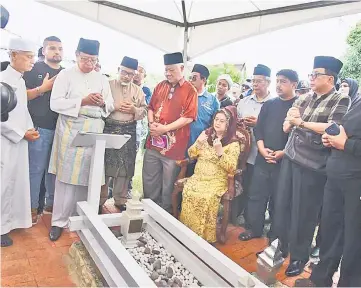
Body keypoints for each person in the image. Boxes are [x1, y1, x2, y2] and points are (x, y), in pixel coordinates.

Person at [274, 56, 350, 277]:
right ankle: (280, 247)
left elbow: (333, 127)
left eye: (316, 74)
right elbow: (287, 125)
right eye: (311, 74)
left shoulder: (340, 99)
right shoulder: (305, 97)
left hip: (313, 165)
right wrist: (293, 122)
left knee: (304, 213)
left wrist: (302, 123)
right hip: (290, 157)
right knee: (283, 205)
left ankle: (298, 257)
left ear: (330, 77)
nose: (312, 78)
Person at [48, 38, 115, 241]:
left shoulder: (102, 78)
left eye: (93, 60)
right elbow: (55, 103)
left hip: (95, 130)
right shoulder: (65, 75)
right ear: (77, 55)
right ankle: (58, 222)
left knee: (88, 177)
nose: (89, 64)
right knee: (66, 179)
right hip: (71, 129)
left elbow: (111, 104)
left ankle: (80, 219)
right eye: (86, 59)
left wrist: (104, 103)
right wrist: (83, 101)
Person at [295, 97, 361, 287]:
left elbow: (349, 142)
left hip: (356, 182)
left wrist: (346, 144)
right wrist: (332, 139)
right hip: (337, 176)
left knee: (354, 241)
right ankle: (320, 279)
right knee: (330, 231)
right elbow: (348, 132)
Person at [239, 69, 298, 241]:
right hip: (263, 157)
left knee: (279, 200)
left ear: (294, 84)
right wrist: (262, 149)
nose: (279, 85)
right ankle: (254, 228)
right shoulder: (270, 104)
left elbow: (298, 135)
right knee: (256, 195)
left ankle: (275, 236)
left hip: (285, 161)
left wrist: (283, 153)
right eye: (278, 81)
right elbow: (259, 129)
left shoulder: (299, 107)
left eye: (284, 81)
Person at [143, 52, 197, 213]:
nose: (168, 73)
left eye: (172, 70)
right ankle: (148, 211)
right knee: (149, 179)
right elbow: (151, 107)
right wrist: (152, 124)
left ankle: (164, 216)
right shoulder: (160, 85)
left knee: (168, 184)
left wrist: (165, 129)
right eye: (166, 70)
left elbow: (189, 117)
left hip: (174, 147)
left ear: (182, 68)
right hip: (153, 142)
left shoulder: (190, 90)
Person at [180, 106, 241, 243]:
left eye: (222, 121)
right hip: (199, 177)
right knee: (189, 191)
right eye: (216, 119)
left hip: (217, 180)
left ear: (228, 125)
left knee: (206, 197)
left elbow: (231, 168)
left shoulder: (232, 143)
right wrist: (199, 143)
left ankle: (203, 236)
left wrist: (220, 152)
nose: (217, 123)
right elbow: (191, 154)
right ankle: (187, 231)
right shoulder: (206, 135)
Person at [1, 38, 39, 247]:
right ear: (13, 55)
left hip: (19, 139)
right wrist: (20, 133)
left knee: (15, 182)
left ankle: (11, 222)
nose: (33, 61)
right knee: (3, 184)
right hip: (5, 143)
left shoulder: (20, 80)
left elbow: (21, 111)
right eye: (28, 56)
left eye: (33, 56)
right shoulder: (2, 80)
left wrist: (29, 129)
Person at [24, 36, 63, 223]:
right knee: (35, 169)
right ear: (44, 51)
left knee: (54, 171)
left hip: (61, 129)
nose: (57, 52)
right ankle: (30, 208)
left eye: (60, 49)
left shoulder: (66, 73)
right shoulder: (34, 69)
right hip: (39, 128)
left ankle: (50, 205)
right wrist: (43, 88)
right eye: (53, 48)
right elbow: (21, 96)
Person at [100, 56, 146, 211]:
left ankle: (120, 199)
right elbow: (101, 105)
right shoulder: (107, 85)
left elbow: (144, 110)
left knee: (125, 167)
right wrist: (114, 106)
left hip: (129, 131)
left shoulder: (138, 90)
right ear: (118, 70)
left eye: (131, 74)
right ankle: (100, 200)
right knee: (105, 166)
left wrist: (134, 110)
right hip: (110, 128)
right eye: (124, 72)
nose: (127, 76)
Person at [232, 64, 273, 226]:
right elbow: (235, 124)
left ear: (268, 83)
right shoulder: (244, 102)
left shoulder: (274, 103)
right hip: (243, 154)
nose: (255, 84)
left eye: (259, 81)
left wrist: (259, 124)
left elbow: (277, 130)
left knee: (257, 191)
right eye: (253, 81)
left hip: (261, 154)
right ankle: (235, 216)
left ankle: (253, 222)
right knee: (241, 185)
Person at [186, 64, 219, 176]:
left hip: (200, 146)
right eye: (190, 77)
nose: (191, 80)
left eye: (194, 78)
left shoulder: (212, 100)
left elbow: (216, 124)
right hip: (181, 144)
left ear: (203, 80)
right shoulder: (184, 95)